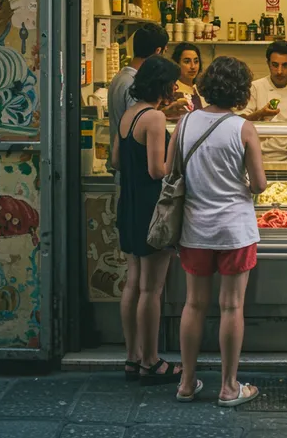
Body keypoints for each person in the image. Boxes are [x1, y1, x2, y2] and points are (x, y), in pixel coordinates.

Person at [173, 57, 267, 407]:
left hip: (195, 227)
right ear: (241, 91)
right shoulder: (242, 128)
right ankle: (229, 387)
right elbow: (258, 184)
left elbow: (171, 170)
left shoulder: (185, 123)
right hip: (233, 230)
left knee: (194, 304)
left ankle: (186, 381)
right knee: (231, 306)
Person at [110, 55, 183, 385]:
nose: (176, 88)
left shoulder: (129, 114)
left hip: (129, 205)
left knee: (133, 282)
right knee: (152, 289)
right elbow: (158, 170)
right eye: (173, 83)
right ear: (163, 85)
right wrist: (177, 144)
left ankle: (132, 357)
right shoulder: (153, 118)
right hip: (153, 210)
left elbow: (116, 160)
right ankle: (151, 361)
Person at [107, 23, 186, 174]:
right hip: (139, 173)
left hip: (127, 173)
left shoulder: (122, 77)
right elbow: (139, 126)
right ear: (157, 52)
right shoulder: (132, 83)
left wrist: (166, 109)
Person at [241, 40, 287, 161]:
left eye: (285, 65)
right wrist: (261, 114)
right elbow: (240, 122)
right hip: (258, 158)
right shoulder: (255, 87)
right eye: (275, 65)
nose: (280, 71)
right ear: (268, 64)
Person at [171, 41, 207, 111]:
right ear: (177, 64)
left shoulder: (201, 89)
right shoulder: (174, 91)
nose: (193, 66)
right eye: (187, 62)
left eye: (196, 61)